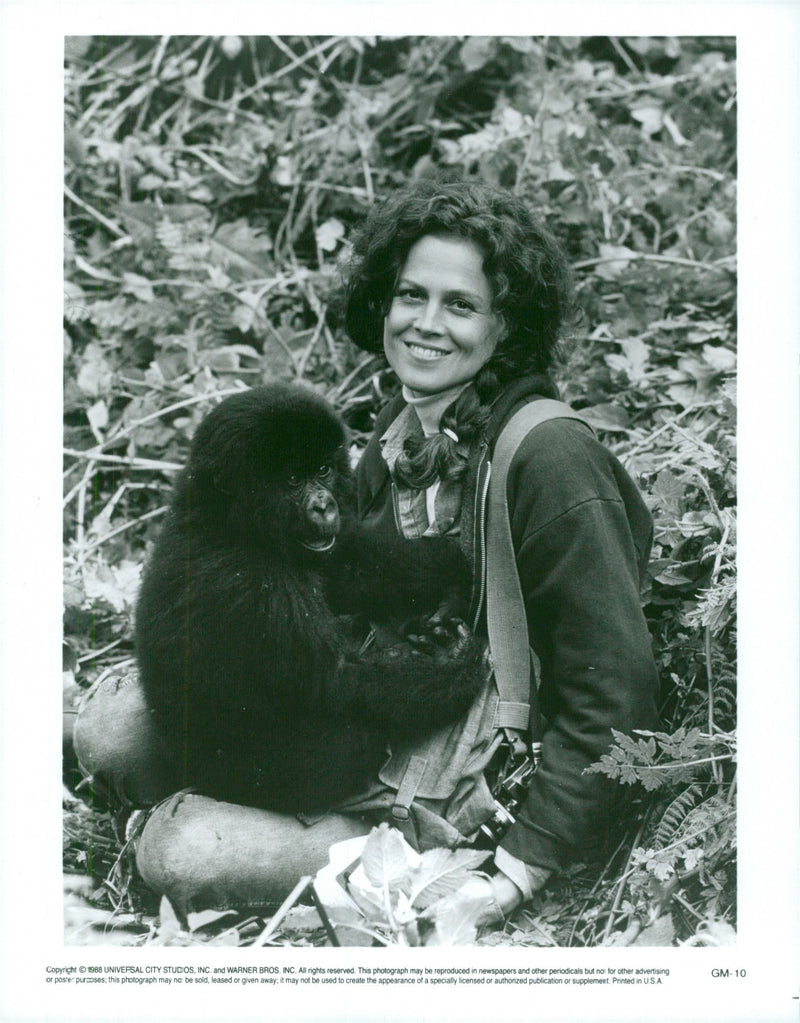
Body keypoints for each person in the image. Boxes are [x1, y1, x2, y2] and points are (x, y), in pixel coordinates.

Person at [72, 179, 659, 932]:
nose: (425, 324)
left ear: (507, 325)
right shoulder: (399, 429)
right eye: (411, 295)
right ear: (384, 301)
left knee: (181, 847)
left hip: (457, 774)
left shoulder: (550, 459)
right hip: (369, 711)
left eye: (461, 304)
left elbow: (618, 691)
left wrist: (513, 873)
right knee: (110, 725)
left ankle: (334, 847)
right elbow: (343, 581)